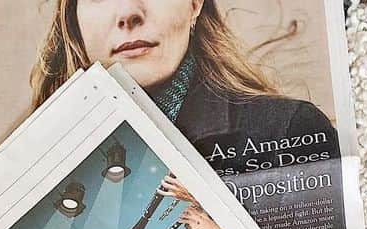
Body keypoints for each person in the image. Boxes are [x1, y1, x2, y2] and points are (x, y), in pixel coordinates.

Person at [30, 0, 340, 165]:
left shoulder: (290, 130)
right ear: (73, 20)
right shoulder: (41, 156)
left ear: (195, 3)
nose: (127, 12)